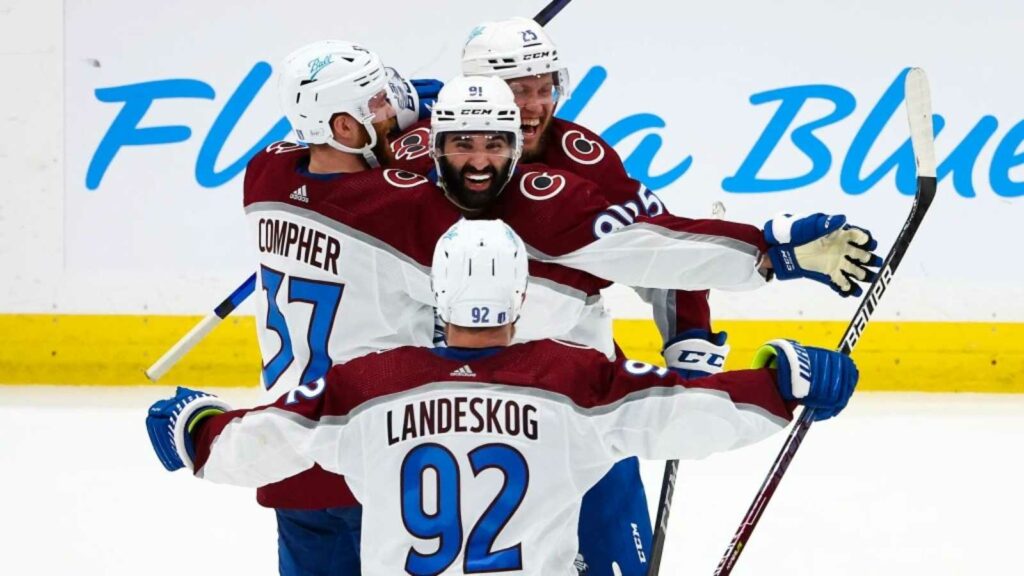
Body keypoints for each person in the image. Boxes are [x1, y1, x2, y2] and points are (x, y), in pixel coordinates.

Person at [389, 20, 881, 574]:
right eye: (516, 89)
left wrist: (688, 330)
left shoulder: (580, 159)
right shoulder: (408, 159)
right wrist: (387, 110)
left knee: (613, 547)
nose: (534, 105)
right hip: (450, 395)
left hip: (574, 382)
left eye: (543, 86)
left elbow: (659, 244)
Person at [146, 219, 860, 575]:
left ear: (434, 289)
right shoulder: (575, 378)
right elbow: (693, 414)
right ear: (523, 292)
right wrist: (786, 377)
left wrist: (192, 428)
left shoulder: (362, 386)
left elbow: (252, 443)